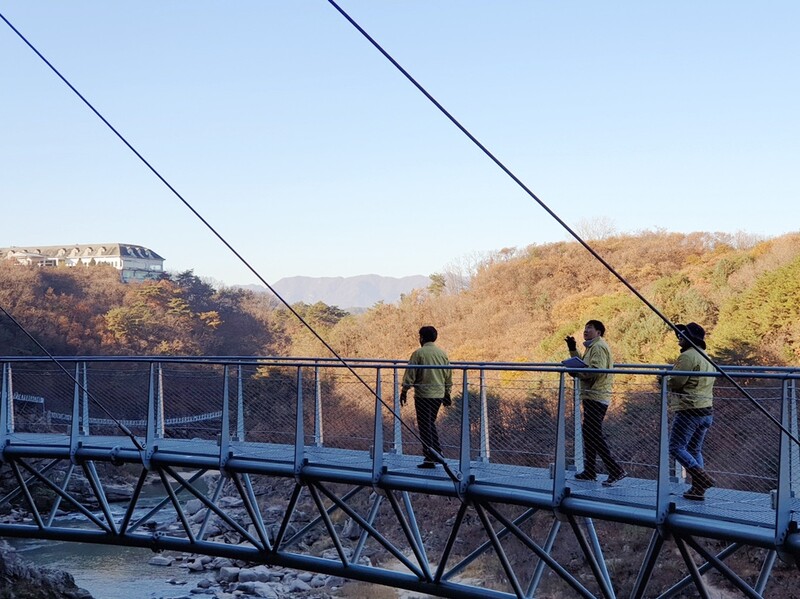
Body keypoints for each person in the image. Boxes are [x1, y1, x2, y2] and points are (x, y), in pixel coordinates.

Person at [565, 320, 627, 486]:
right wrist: (572, 350)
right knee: (590, 433)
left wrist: (576, 373)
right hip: (593, 395)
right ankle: (590, 470)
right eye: (585, 328)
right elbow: (586, 365)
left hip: (596, 395)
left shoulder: (598, 347)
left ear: (598, 332)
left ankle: (615, 469)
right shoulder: (593, 347)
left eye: (589, 328)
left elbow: (594, 371)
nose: (586, 330)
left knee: (593, 434)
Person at [667, 322, 716, 501]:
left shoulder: (687, 356)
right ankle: (698, 489)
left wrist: (664, 380)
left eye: (683, 333)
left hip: (689, 408)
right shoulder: (705, 356)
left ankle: (701, 477)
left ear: (691, 337)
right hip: (706, 409)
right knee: (694, 449)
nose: (679, 336)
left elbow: (677, 381)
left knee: (675, 446)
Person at [400, 325, 453, 468]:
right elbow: (448, 375)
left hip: (423, 395)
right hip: (438, 394)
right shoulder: (442, 354)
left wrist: (404, 390)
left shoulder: (418, 354)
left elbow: (410, 374)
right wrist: (447, 393)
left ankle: (430, 458)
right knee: (430, 423)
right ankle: (437, 453)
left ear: (422, 338)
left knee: (424, 426)